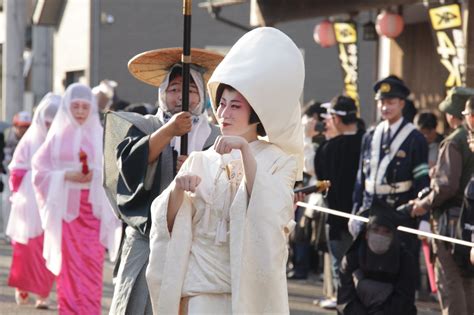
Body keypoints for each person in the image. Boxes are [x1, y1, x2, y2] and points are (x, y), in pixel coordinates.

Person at [146, 27, 304, 314]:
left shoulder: (279, 160)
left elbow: (273, 215)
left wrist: (244, 151)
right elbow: (167, 222)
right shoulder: (202, 159)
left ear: (254, 112)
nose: (224, 113)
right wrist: (179, 190)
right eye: (220, 104)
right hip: (200, 284)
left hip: (247, 287)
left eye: (235, 106)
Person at [108, 48, 222, 314]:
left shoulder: (214, 137)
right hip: (146, 238)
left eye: (190, 89)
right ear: (162, 93)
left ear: (201, 96)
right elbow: (129, 166)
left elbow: (226, 182)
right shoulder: (144, 126)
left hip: (197, 242)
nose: (181, 96)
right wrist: (169, 131)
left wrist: (199, 167)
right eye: (174, 89)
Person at [32, 83, 121, 314]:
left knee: (92, 265)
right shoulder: (57, 137)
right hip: (66, 214)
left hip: (93, 214)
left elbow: (114, 171)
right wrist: (66, 175)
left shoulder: (100, 137)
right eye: (75, 106)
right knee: (69, 267)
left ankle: (90, 310)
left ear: (92, 108)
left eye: (85, 106)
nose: (80, 111)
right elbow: (38, 171)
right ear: (67, 108)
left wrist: (96, 175)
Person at [411, 87, 474, 315]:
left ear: (453, 114)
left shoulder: (455, 141)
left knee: (450, 280)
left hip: (452, 221)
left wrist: (423, 204)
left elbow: (447, 186)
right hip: (469, 222)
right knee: (468, 281)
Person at [6, 93, 60, 309]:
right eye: (46, 121)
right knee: (26, 249)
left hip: (53, 203)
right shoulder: (29, 141)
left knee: (49, 248)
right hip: (29, 205)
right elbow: (16, 168)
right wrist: (23, 188)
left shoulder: (62, 141)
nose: (49, 125)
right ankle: (22, 286)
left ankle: (43, 294)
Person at [314, 95, 365, 309]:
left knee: (341, 270)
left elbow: (321, 180)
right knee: (364, 271)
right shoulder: (369, 140)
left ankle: (344, 304)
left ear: (335, 118)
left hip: (336, 218)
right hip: (366, 219)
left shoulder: (327, 149)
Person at [337, 200, 417, 315]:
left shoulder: (405, 260)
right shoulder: (351, 258)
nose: (380, 235)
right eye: (375, 230)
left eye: (386, 232)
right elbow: (345, 299)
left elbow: (404, 300)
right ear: (366, 233)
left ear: (393, 236)